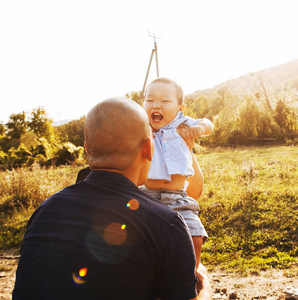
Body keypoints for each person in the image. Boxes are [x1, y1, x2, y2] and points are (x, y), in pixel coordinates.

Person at [12, 97, 212, 300]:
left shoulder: (45, 211)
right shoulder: (167, 224)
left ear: (87, 149)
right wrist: (204, 289)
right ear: (148, 148)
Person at [141, 78, 214, 271]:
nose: (156, 105)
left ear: (180, 108)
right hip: (145, 196)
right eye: (150, 100)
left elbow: (208, 123)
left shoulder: (181, 124)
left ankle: (191, 272)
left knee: (194, 237)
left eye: (165, 101)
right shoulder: (141, 129)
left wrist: (200, 128)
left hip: (178, 198)